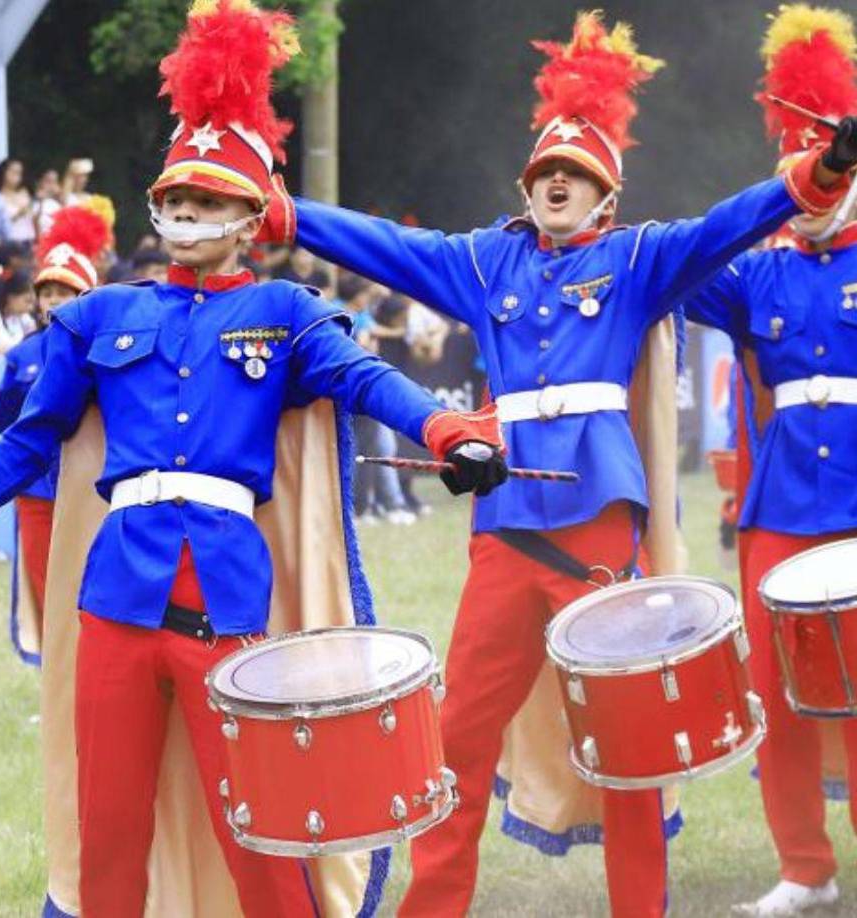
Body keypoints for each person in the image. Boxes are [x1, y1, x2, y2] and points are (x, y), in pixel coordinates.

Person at [0, 3, 506, 915]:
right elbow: (29, 439)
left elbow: (367, 382)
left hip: (227, 595)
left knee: (261, 824)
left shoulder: (287, 310)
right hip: (116, 597)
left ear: (251, 217)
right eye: (174, 199)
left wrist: (446, 432)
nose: (184, 214)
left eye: (206, 201)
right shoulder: (99, 315)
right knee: (110, 830)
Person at [259, 11, 857, 917]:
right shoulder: (484, 261)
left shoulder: (636, 257)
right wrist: (291, 213)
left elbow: (727, 225)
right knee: (455, 736)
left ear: (608, 198)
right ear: (526, 187)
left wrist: (816, 176)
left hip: (598, 532)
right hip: (504, 537)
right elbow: (393, 245)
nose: (558, 183)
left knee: (629, 738)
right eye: (546, 173)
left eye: (576, 175)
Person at [681, 8, 857, 914]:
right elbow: (677, 264)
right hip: (780, 509)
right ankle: (806, 869)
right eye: (806, 180)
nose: (822, 197)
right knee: (776, 699)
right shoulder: (758, 270)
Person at [0, 203, 112, 665]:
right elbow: (7, 423)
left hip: (92, 487)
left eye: (64, 290)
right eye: (46, 290)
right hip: (36, 493)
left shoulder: (109, 349)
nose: (53, 300)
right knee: (47, 588)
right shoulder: (23, 354)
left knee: (93, 588)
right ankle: (55, 683)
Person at [0, 158, 36, 243]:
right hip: (9, 242)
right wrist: (18, 214)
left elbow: (33, 220)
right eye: (13, 172)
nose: (16, 176)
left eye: (19, 173)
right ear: (3, 172)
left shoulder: (25, 194)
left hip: (28, 240)